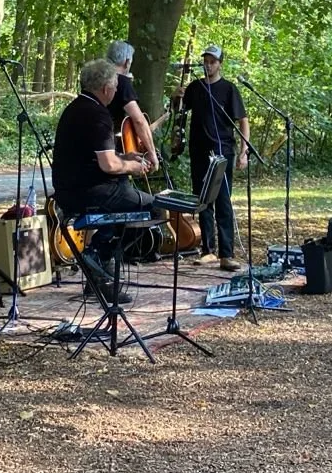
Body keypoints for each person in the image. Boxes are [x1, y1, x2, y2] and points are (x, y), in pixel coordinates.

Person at [52, 60, 157, 300]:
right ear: (106, 88)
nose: (116, 92)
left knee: (122, 200)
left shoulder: (76, 108)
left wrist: (124, 156)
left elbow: (96, 157)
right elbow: (108, 165)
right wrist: (134, 165)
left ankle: (100, 268)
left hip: (71, 190)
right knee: (153, 207)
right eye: (115, 87)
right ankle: (99, 257)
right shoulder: (98, 115)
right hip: (89, 192)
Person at [175, 44, 248, 271]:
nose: (208, 65)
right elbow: (178, 112)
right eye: (205, 60)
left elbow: (243, 121)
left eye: (212, 61)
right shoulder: (195, 87)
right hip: (198, 151)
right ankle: (208, 251)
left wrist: (243, 152)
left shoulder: (229, 89)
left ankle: (227, 254)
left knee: (223, 201)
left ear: (220, 64)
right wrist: (175, 96)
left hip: (223, 150)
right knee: (203, 200)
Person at [105, 40, 160, 172]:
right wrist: (152, 153)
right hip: (111, 144)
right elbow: (139, 120)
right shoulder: (122, 82)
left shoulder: (98, 79)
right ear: (127, 61)